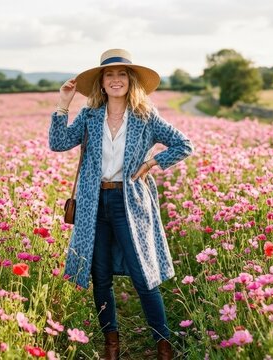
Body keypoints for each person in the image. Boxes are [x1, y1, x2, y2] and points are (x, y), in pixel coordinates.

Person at [48, 49, 193, 360]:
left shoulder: (145, 117)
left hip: (131, 203)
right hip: (94, 203)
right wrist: (64, 103)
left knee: (144, 276)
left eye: (122, 74)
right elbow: (58, 143)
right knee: (100, 277)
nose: (115, 79)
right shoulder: (90, 116)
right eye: (109, 75)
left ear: (131, 81)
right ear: (102, 82)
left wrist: (154, 161)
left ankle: (163, 345)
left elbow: (184, 144)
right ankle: (111, 347)